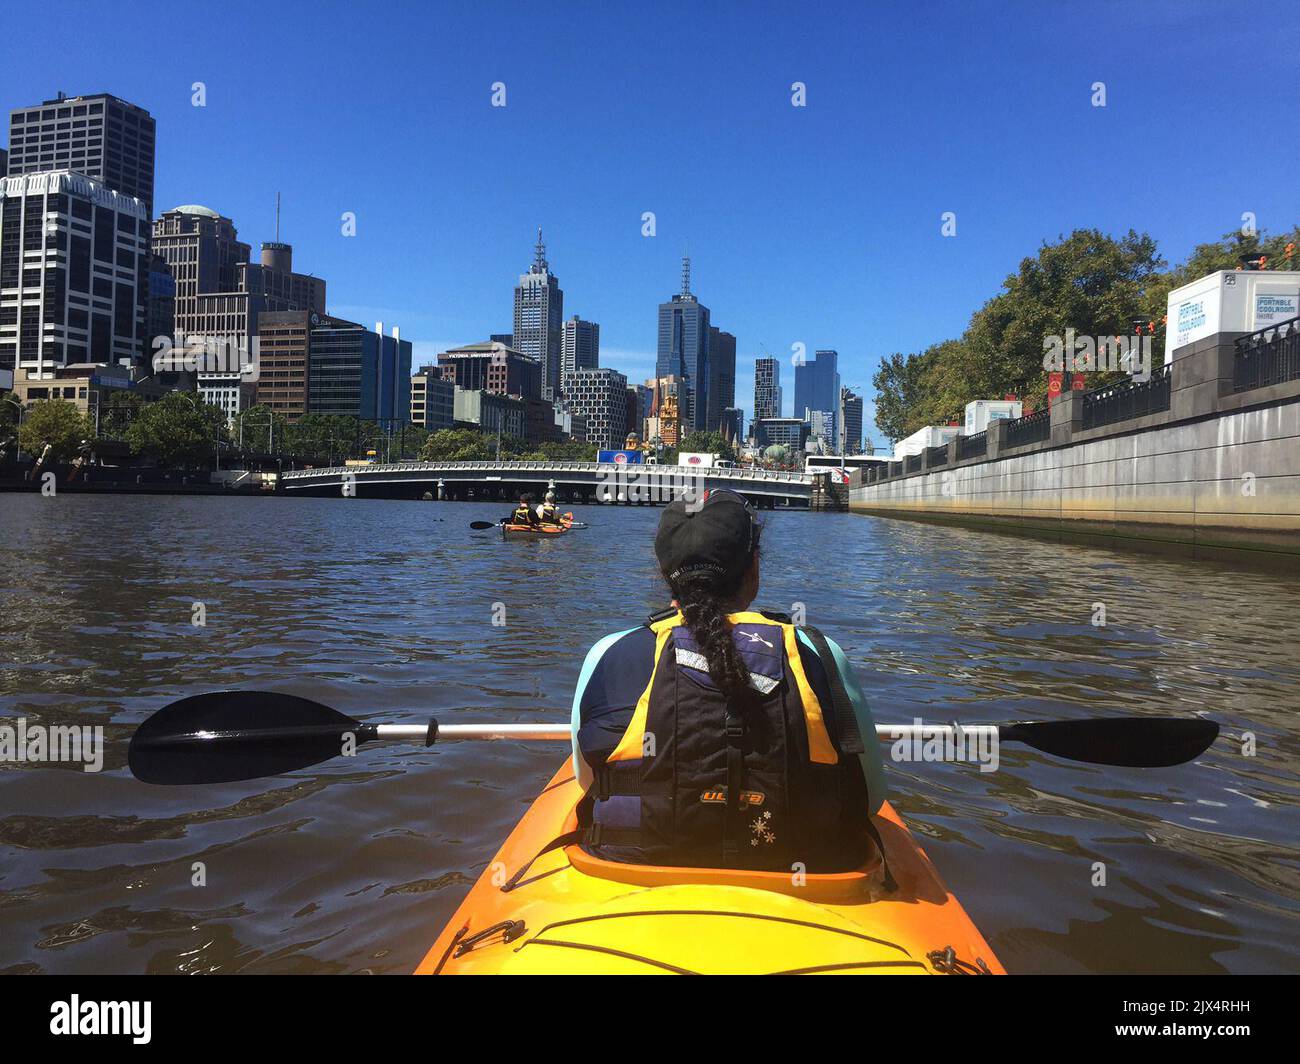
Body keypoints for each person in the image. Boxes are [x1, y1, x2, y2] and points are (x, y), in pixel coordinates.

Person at [570, 488, 887, 874]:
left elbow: (588, 781)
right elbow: (869, 799)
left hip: (633, 875)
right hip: (801, 879)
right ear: (754, 565)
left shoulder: (608, 652)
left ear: (663, 571)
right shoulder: (819, 652)